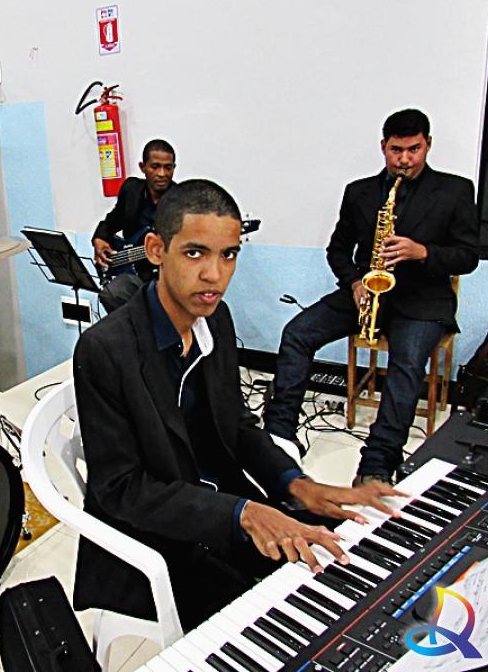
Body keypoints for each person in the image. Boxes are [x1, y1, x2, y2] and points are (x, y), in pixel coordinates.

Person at [73, 179, 403, 630]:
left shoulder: (215, 320)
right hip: (153, 540)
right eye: (195, 253)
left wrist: (294, 484)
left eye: (228, 255)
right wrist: (242, 514)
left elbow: (238, 426)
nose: (215, 274)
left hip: (222, 510)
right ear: (155, 250)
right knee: (285, 626)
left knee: (349, 564)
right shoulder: (104, 349)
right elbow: (121, 489)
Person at [262, 109, 480, 485]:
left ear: (428, 144)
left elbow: (468, 256)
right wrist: (354, 282)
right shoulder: (359, 191)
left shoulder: (455, 190)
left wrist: (422, 252)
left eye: (414, 149)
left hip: (423, 299)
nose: (405, 160)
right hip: (367, 291)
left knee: (406, 364)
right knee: (297, 333)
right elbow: (337, 249)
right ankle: (279, 437)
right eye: (396, 150)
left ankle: (378, 463)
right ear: (383, 146)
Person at [92, 138, 176, 312]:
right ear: (143, 167)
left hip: (165, 276)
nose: (162, 173)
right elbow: (112, 220)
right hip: (131, 272)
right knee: (111, 294)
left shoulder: (181, 200)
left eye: (168, 167)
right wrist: (100, 239)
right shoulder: (131, 190)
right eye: (155, 167)